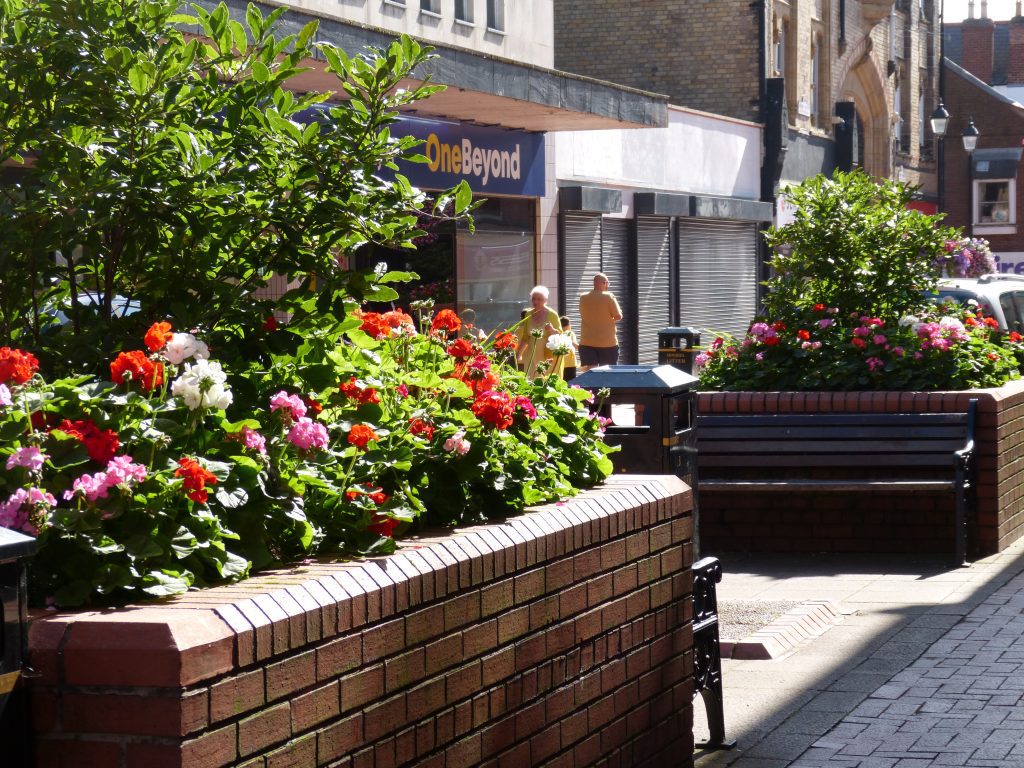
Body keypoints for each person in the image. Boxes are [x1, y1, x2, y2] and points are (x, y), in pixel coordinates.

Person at [516, 285, 563, 378]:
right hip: (531, 354)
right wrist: (518, 353)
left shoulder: (552, 314)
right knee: (531, 379)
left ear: (545, 300)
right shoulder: (528, 314)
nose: (535, 302)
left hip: (547, 355)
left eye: (539, 299)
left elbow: (560, 335)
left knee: (545, 380)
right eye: (533, 299)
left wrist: (552, 330)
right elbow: (526, 337)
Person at [578, 272, 623, 370]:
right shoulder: (608, 297)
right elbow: (618, 316)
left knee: (591, 372)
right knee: (607, 373)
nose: (608, 286)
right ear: (604, 283)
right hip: (607, 342)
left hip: (586, 342)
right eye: (607, 283)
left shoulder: (583, 297)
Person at [560, 315, 579, 381]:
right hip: (571, 363)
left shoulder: (559, 333)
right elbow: (574, 344)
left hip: (561, 363)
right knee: (571, 383)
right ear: (568, 325)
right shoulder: (570, 333)